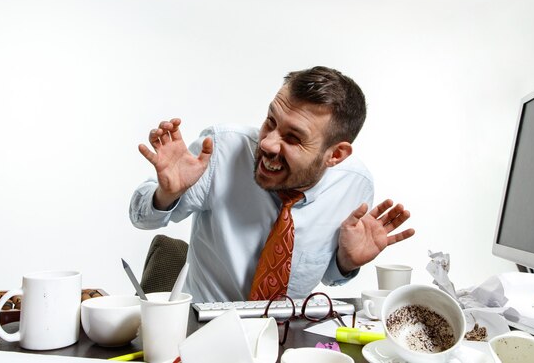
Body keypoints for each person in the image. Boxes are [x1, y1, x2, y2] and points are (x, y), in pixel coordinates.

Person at [129, 66, 414, 302]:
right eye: (270, 121)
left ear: (335, 155)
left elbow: (328, 275)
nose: (267, 143)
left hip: (285, 339)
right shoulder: (222, 149)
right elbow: (142, 219)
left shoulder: (354, 186)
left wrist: (346, 262)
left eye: (292, 138)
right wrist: (166, 194)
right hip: (204, 330)